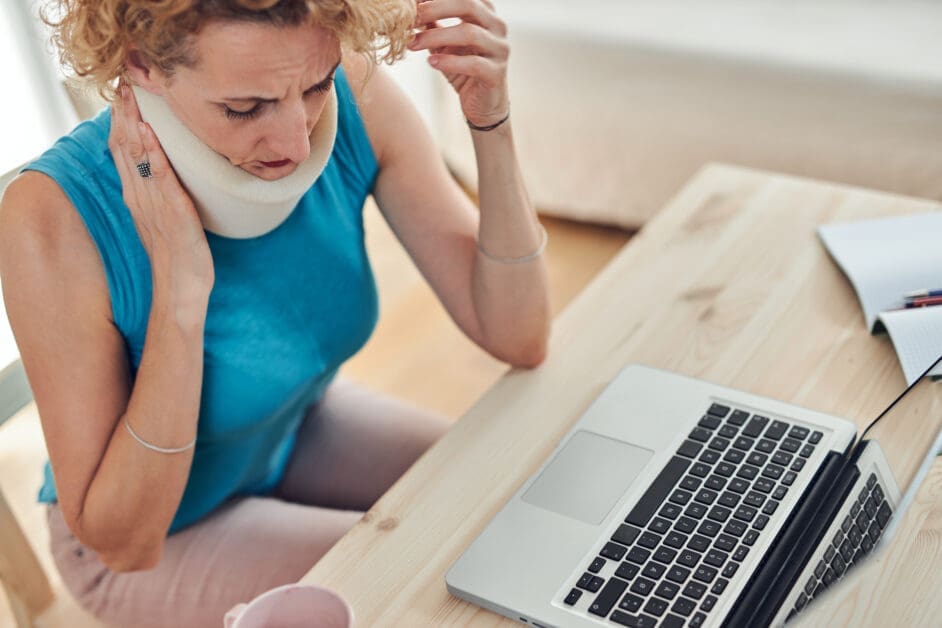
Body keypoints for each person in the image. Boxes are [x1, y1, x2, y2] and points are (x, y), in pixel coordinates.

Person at [0, 0, 550, 625]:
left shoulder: (352, 94)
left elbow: (519, 336)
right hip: (153, 538)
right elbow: (122, 543)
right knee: (434, 581)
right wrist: (180, 292)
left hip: (288, 432)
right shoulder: (51, 217)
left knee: (518, 504)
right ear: (140, 63)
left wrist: (491, 120)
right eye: (244, 108)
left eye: (316, 86)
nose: (296, 139)